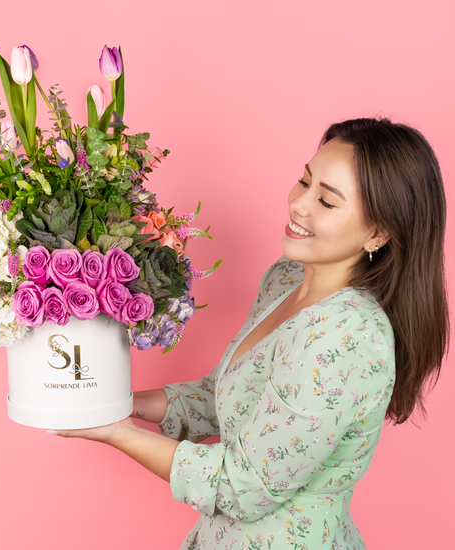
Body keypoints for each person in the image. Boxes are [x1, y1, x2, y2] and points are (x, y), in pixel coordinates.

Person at [48, 117, 450, 549]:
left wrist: (117, 432)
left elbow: (244, 486)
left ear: (378, 232)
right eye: (304, 181)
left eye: (326, 201)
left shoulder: (346, 333)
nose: (299, 204)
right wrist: (111, 401)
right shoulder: (287, 278)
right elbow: (224, 396)